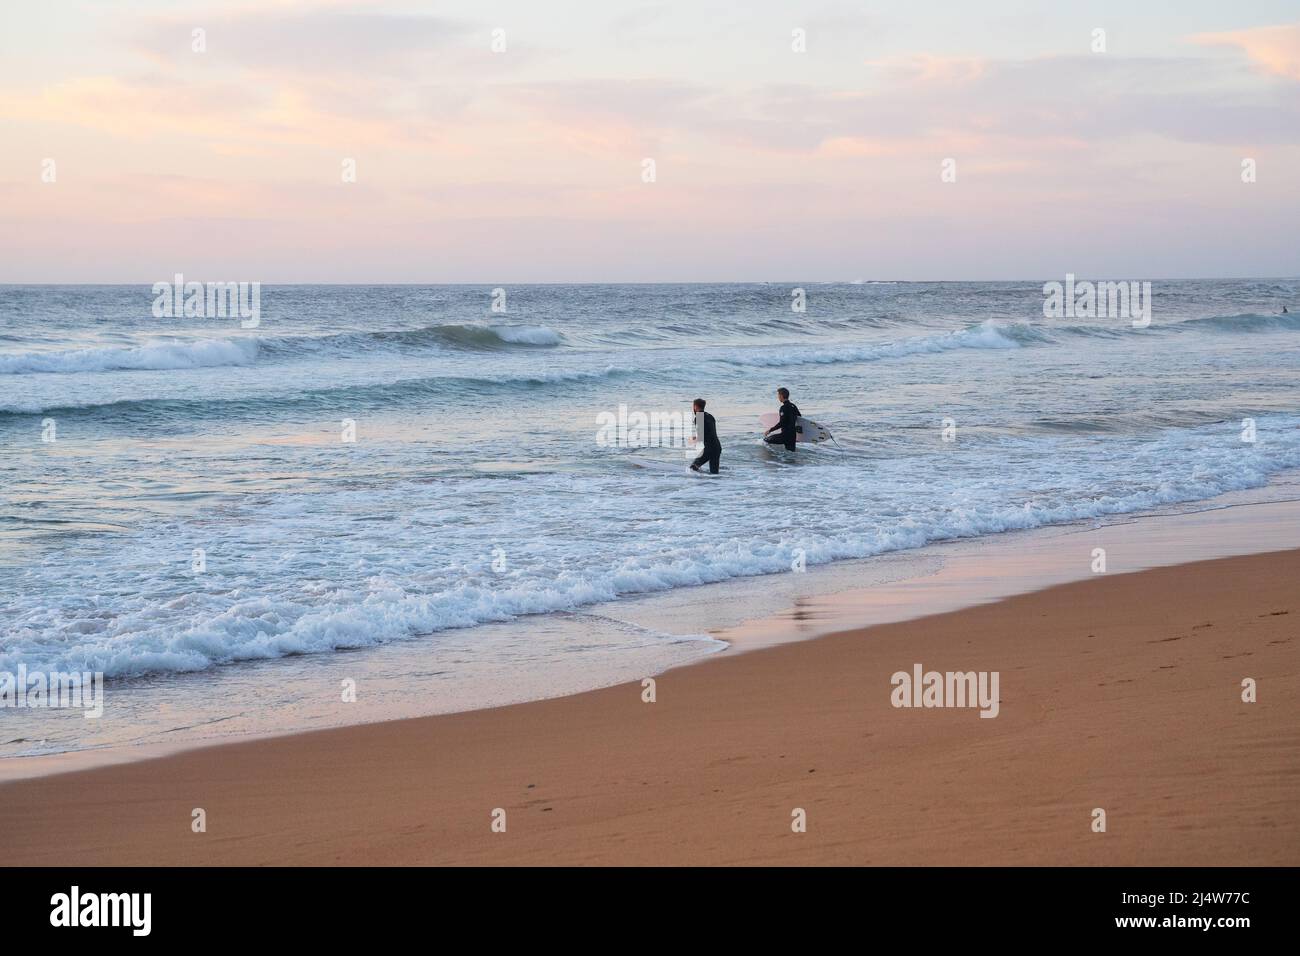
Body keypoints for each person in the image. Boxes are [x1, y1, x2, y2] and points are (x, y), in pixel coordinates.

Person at [764, 387, 801, 451]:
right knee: (791, 454)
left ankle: (772, 458)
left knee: (765, 441)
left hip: (785, 435)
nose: (778, 397)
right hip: (793, 436)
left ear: (781, 396)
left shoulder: (783, 408)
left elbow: (782, 423)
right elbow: (799, 417)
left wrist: (770, 430)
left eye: (778, 395)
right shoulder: (793, 406)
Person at [689, 398, 721, 474]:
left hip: (709, 449)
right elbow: (710, 433)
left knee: (692, 469)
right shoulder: (710, 416)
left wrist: (693, 440)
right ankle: (716, 485)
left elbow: (700, 437)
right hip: (717, 447)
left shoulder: (699, 417)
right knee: (714, 473)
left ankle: (699, 485)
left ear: (695, 406)